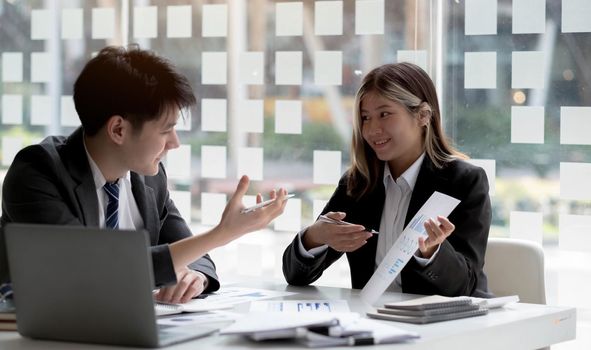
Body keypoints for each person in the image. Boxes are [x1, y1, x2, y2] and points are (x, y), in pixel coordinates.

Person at [0, 45, 287, 304]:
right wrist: (222, 234)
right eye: (166, 130)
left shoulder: (149, 176)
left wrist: (195, 277)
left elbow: (193, 255)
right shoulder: (37, 173)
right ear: (118, 130)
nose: (175, 143)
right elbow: (91, 270)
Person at [282, 62, 491, 297]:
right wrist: (314, 236)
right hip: (374, 323)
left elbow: (465, 286)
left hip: (443, 325)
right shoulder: (358, 184)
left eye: (384, 114)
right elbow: (295, 276)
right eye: (365, 118)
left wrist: (432, 251)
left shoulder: (463, 182)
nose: (372, 130)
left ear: (423, 115)